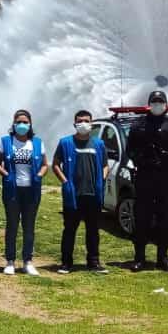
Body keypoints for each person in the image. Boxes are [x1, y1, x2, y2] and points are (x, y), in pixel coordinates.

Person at [126, 90, 168, 272]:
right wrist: (142, 161)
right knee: (142, 218)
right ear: (149, 104)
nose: (157, 104)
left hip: (165, 178)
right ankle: (139, 257)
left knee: (165, 219)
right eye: (154, 101)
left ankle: (163, 257)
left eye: (161, 102)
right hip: (145, 176)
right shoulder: (138, 125)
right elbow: (130, 149)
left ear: (166, 104)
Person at [52, 110, 109, 274]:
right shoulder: (65, 143)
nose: (83, 123)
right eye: (80, 121)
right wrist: (64, 181)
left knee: (93, 230)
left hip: (93, 194)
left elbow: (105, 165)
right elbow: (55, 164)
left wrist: (102, 179)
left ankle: (93, 262)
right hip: (73, 195)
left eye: (86, 120)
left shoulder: (98, 144)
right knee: (69, 229)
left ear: (91, 124)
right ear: (74, 124)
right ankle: (66, 263)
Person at [0, 109, 48, 276]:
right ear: (14, 124)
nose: (22, 125)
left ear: (30, 124)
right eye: (19, 122)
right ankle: (10, 261)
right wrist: (6, 175)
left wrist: (39, 174)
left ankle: (28, 261)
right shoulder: (6, 141)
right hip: (12, 190)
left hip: (31, 190)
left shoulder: (37, 143)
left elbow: (46, 164)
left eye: (25, 122)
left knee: (29, 226)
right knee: (12, 225)